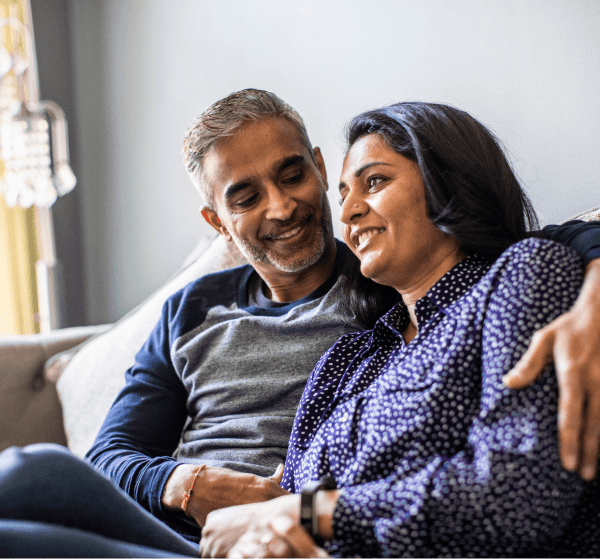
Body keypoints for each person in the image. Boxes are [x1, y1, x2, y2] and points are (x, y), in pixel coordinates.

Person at [0, 91, 599, 557]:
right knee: (34, 475)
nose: (286, 208)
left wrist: (594, 284)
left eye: (294, 176)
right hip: (218, 536)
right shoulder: (358, 351)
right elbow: (113, 455)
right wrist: (192, 485)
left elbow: (538, 247)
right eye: (246, 197)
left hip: (301, 542)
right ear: (217, 221)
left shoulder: (425, 284)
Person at [200, 102, 599, 559]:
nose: (347, 211)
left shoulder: (525, 276)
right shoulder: (345, 360)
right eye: (345, 193)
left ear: (445, 182)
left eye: (375, 182)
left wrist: (313, 514)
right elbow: (279, 514)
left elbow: (521, 496)